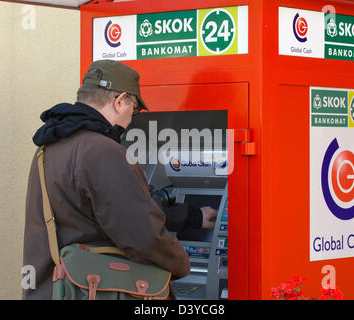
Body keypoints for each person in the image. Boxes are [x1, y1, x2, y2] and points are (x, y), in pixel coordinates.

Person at [22, 59, 217, 299]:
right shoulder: (104, 151)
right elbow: (142, 233)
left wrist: (191, 216)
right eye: (133, 108)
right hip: (95, 291)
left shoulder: (47, 149)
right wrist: (183, 262)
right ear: (120, 100)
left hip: (55, 289)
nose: (131, 119)